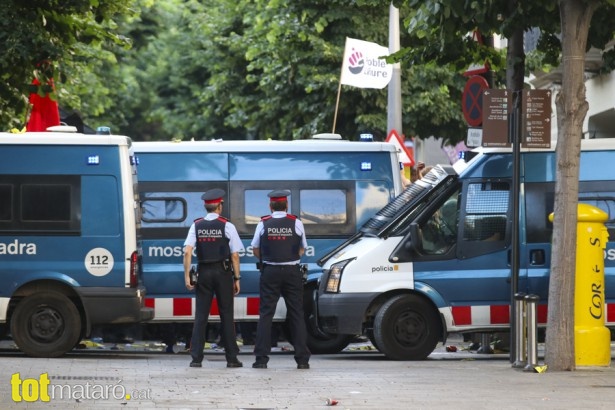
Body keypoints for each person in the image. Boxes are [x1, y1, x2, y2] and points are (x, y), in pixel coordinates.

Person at [251, 189, 311, 369]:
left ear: (270, 206)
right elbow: (303, 248)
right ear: (287, 205)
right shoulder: (296, 223)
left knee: (266, 314)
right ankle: (302, 360)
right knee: (296, 314)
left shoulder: (263, 223)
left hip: (270, 271)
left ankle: (261, 359)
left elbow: (255, 248)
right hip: (293, 271)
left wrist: (268, 258)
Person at [183, 188, 243, 368]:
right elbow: (235, 256)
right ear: (219, 206)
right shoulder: (227, 225)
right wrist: (237, 278)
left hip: (204, 273)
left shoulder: (196, 225)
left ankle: (196, 358)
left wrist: (187, 276)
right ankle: (231, 358)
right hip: (223, 273)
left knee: (201, 315)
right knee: (226, 314)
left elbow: (187, 251)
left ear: (206, 206)